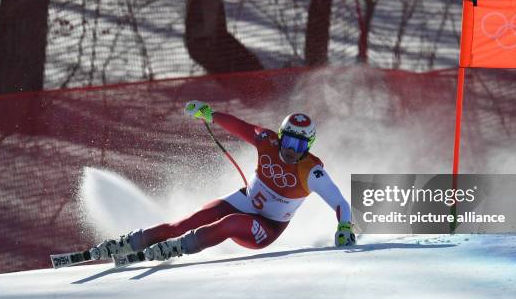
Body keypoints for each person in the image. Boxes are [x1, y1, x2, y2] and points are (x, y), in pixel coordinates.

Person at [92, 101, 356, 262]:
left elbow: (339, 201)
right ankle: (130, 242)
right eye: (287, 140)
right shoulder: (268, 142)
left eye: (299, 144)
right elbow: (241, 126)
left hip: (266, 227)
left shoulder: (312, 171)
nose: (290, 149)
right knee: (185, 222)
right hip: (244, 200)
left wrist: (345, 227)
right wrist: (209, 114)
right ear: (280, 136)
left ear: (308, 145)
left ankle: (177, 248)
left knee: (230, 223)